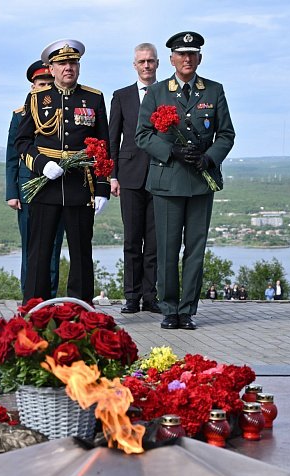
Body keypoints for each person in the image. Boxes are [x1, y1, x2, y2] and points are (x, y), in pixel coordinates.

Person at [136, 31, 235, 330]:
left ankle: (187, 310)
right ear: (172, 59)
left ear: (199, 58)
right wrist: (172, 151)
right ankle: (169, 309)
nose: (187, 59)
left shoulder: (214, 90)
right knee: (167, 248)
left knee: (195, 248)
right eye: (181, 54)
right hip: (168, 180)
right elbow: (143, 135)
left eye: (192, 54)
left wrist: (209, 158)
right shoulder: (157, 92)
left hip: (201, 181)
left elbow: (226, 134)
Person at [15, 39, 111, 304]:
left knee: (81, 253)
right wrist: (41, 164)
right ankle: (35, 309)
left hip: (80, 186)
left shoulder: (94, 98)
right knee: (39, 253)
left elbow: (103, 146)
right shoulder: (37, 99)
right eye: (62, 63)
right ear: (51, 68)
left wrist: (102, 187)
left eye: (73, 62)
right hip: (45, 184)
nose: (68, 67)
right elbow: (22, 142)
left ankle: (81, 310)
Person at [109, 43, 161, 315]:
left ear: (158, 63)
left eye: (150, 61)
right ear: (135, 65)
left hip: (161, 175)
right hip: (129, 176)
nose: (146, 65)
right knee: (132, 240)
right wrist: (112, 175)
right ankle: (131, 296)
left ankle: (150, 297)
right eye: (142, 61)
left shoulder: (167, 93)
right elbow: (112, 137)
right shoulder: (121, 96)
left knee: (154, 243)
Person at [6, 61, 64, 298]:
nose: (45, 88)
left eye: (49, 84)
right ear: (33, 87)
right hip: (28, 189)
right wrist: (12, 193)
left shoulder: (63, 112)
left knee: (54, 246)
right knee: (30, 246)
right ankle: (29, 299)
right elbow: (13, 156)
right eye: (41, 84)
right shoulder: (20, 115)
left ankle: (50, 298)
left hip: (57, 187)